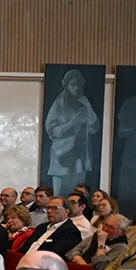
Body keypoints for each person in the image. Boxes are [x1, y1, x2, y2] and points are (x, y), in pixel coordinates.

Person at [45, 69, 100, 197]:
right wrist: (72, 122)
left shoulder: (83, 103)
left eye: (79, 85)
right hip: (62, 153)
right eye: (73, 85)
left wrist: (88, 106)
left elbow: (94, 128)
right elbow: (52, 131)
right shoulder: (59, 103)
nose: (76, 88)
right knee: (59, 195)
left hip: (80, 154)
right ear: (67, 86)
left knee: (78, 195)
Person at [19, 197, 84, 256]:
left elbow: (54, 255)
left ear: (66, 211)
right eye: (48, 208)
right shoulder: (41, 227)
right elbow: (24, 248)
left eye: (54, 208)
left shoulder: (71, 232)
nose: (49, 211)